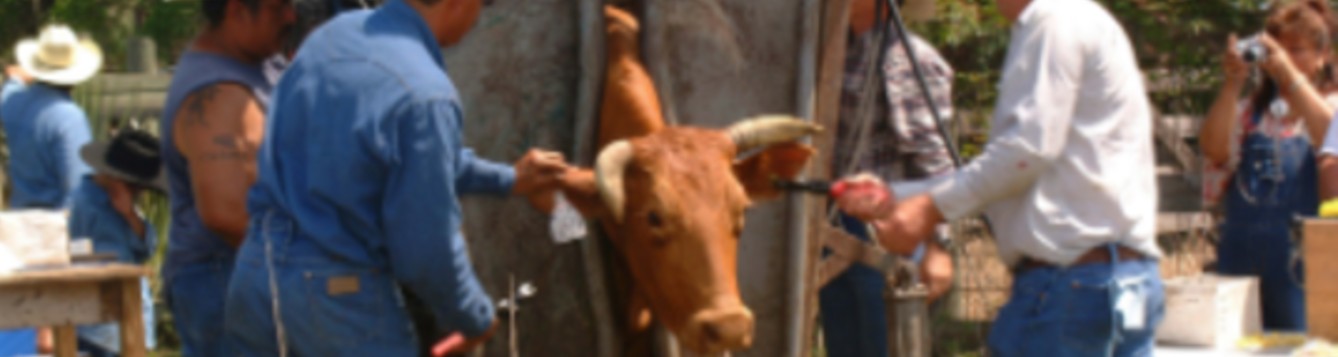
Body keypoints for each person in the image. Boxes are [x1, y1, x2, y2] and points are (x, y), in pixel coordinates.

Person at [222, 0, 567, 355]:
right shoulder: (426, 93)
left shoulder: (333, 37)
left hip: (256, 276)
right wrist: (474, 316)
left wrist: (509, 179)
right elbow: (426, 251)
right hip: (339, 301)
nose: (477, 19)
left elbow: (397, 159)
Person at [834, 0, 1164, 355]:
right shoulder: (1079, 19)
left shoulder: (1054, 21)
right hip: (1119, 282)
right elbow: (1021, 166)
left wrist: (929, 210)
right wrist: (894, 194)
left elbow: (1025, 153)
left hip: (1070, 286)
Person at [818, 0, 955, 355]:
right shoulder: (831, 49)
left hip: (885, 231)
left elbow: (935, 164)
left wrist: (937, 247)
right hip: (836, 227)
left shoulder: (906, 60)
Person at [158, 0, 294, 355]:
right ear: (237, 10)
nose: (290, 16)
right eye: (278, 9)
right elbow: (228, 212)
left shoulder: (256, 61)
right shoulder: (218, 96)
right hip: (226, 279)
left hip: (240, 275)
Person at [1204, 0, 1338, 331]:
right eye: (1278, 50)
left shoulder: (1330, 106)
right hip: (1240, 258)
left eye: (1298, 50)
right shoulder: (1250, 113)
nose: (1285, 58)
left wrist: (1290, 77)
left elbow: (1331, 139)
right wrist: (1232, 84)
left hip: (1303, 264)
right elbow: (1214, 150)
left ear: (1324, 55)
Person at [0, 24, 102, 356]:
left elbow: (8, 90)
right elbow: (78, 187)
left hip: (18, 231)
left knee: (28, 331)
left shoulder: (13, 104)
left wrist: (16, 78)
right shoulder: (67, 117)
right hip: (55, 232)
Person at [68, 130, 165, 357]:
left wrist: (130, 215)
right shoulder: (81, 205)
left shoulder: (127, 206)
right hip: (96, 325)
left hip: (133, 317)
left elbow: (146, 249)